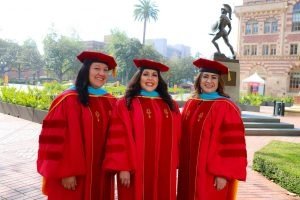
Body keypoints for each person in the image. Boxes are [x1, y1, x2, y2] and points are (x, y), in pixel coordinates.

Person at [37, 51, 117, 200]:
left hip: (102, 173)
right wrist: (66, 172)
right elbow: (59, 139)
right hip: (74, 174)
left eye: (105, 70)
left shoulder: (110, 101)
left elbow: (117, 136)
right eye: (97, 68)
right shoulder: (68, 99)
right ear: (86, 70)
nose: (102, 73)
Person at [103, 59, 181, 200]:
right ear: (139, 78)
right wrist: (123, 167)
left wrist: (175, 163)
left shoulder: (170, 105)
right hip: (135, 169)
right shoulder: (125, 103)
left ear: (159, 79)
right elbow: (118, 137)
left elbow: (178, 137)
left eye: (154, 75)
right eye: (146, 74)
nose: (150, 78)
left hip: (164, 168)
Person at [177, 58, 247, 200]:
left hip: (210, 174)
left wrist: (223, 174)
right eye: (205, 76)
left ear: (219, 82)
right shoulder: (191, 103)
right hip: (188, 173)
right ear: (199, 79)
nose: (209, 81)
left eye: (213, 77)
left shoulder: (226, 107)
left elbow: (232, 146)